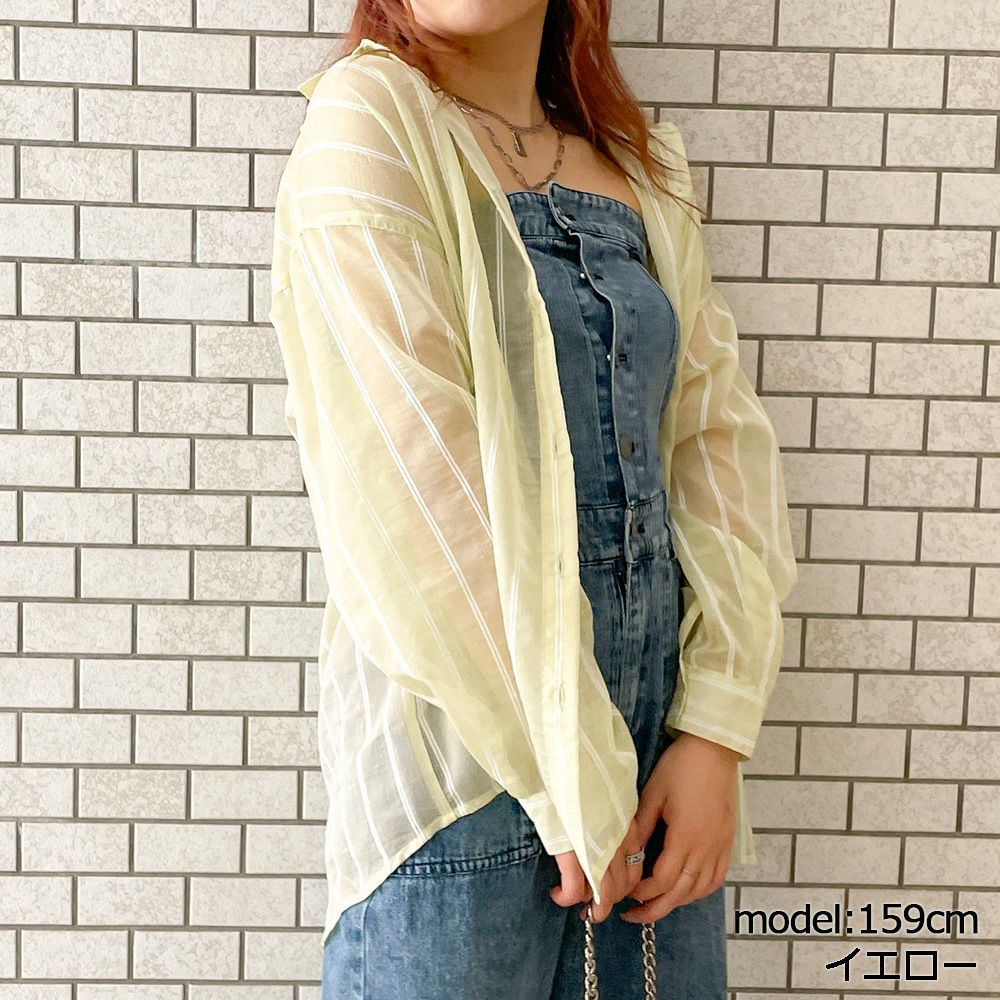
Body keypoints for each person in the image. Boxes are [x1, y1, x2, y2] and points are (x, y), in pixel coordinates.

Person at [268, 2, 798, 997]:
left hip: (656, 786)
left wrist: (714, 732)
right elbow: (412, 494)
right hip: (466, 784)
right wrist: (572, 780)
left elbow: (714, 444)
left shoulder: (640, 169)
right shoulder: (369, 121)